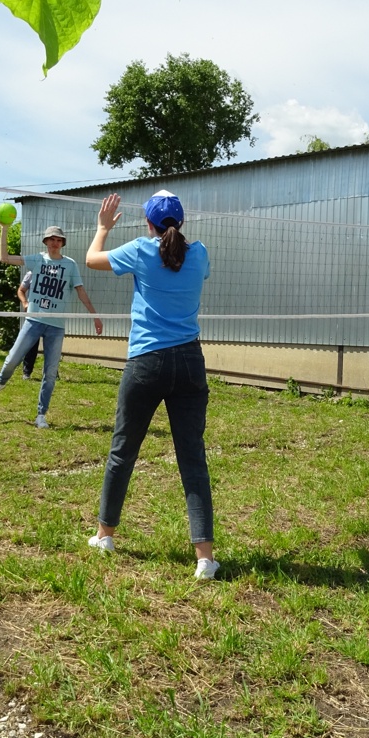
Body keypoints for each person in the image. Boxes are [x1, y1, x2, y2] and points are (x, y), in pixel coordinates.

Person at [85, 190, 219, 580]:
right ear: (181, 222)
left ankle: (104, 536)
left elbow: (93, 260)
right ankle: (205, 560)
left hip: (146, 363)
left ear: (148, 224)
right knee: (193, 460)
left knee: (122, 450)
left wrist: (102, 228)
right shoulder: (200, 254)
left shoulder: (142, 250)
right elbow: (186, 262)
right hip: (191, 363)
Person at [0, 223, 103, 427]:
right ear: (46, 242)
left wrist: (95, 316)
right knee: (12, 359)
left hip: (56, 326)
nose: (55, 243)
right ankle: (0, 382)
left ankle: (41, 415)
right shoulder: (37, 260)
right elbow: (4, 258)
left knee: (50, 373)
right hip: (34, 320)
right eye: (52, 239)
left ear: (62, 243)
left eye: (59, 240)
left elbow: (81, 291)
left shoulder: (70, 264)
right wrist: (4, 228)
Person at [16, 269, 40, 380]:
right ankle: (27, 372)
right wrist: (25, 303)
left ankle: (52, 372)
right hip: (34, 315)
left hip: (51, 315)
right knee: (31, 345)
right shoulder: (32, 273)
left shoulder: (58, 272)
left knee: (52, 345)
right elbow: (21, 290)